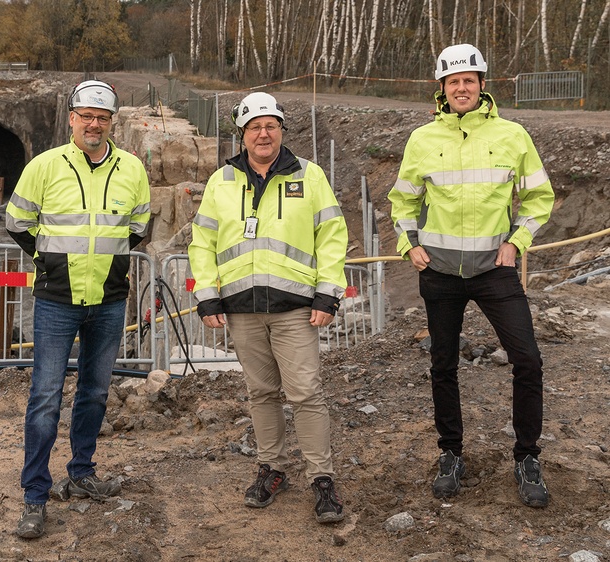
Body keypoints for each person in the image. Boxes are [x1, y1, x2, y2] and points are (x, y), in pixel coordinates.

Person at [388, 44, 555, 508]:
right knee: (443, 365)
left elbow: (540, 199)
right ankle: (451, 454)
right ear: (441, 89)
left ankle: (526, 457)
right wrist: (410, 245)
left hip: (495, 272)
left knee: (529, 361)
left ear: (482, 85)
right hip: (439, 273)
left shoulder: (513, 135)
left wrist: (515, 242)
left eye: (469, 80)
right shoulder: (422, 140)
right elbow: (402, 202)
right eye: (453, 81)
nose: (461, 88)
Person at [188, 92, 349, 523]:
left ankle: (322, 478)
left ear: (281, 130)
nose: (263, 133)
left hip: (296, 308)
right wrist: (207, 295)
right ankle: (272, 469)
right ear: (242, 134)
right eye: (255, 127)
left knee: (305, 393)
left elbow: (332, 236)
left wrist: (328, 293)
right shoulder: (221, 181)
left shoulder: (309, 176)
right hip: (242, 309)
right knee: (261, 393)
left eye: (271, 125)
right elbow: (202, 242)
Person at [5, 79, 151, 539]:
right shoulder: (45, 166)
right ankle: (34, 494)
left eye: (102, 118)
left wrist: (106, 266)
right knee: (45, 398)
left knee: (95, 392)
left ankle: (82, 472)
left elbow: (138, 227)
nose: (94, 124)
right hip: (56, 299)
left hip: (108, 300)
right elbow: (17, 222)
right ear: (72, 119)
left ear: (112, 123)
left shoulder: (132, 169)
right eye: (86, 115)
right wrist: (47, 260)